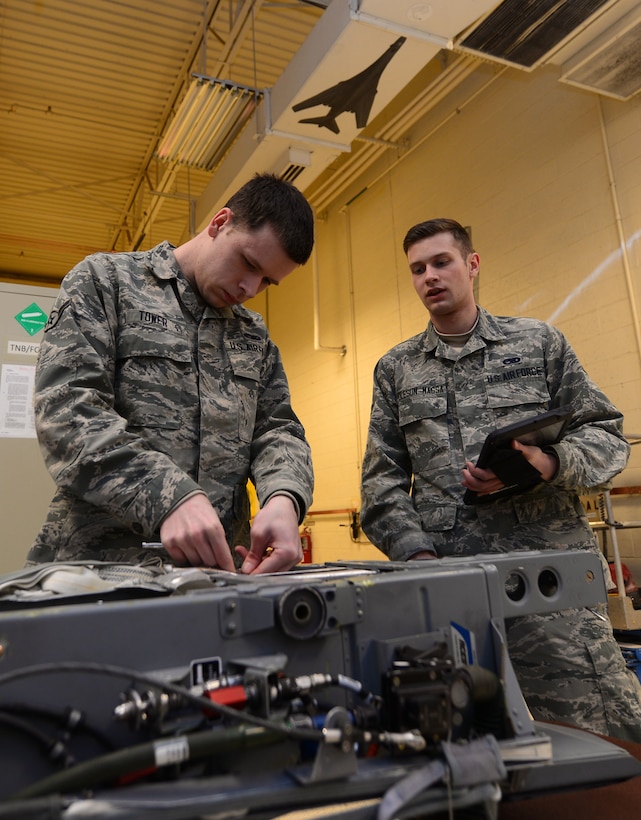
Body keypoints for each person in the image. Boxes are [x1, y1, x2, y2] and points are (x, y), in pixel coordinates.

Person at [360, 217, 641, 741]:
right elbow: (381, 484)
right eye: (418, 269)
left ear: (472, 264)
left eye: (442, 262)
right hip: (452, 593)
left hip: (549, 587)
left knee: (603, 734)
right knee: (467, 740)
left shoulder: (538, 344)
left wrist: (549, 464)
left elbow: (608, 436)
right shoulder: (396, 369)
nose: (430, 277)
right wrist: (419, 560)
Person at [27, 173, 314, 575]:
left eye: (267, 281)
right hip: (101, 573)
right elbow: (67, 412)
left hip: (217, 576)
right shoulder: (106, 283)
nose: (250, 286)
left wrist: (284, 497)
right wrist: (169, 496)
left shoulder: (252, 334)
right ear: (219, 223)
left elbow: (277, 430)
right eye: (249, 263)